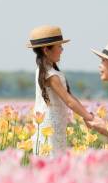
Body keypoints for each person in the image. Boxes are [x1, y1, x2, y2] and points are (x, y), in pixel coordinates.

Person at [27, 25, 94, 156]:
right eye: (59, 46)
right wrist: (88, 117)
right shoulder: (49, 75)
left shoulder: (47, 71)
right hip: (51, 127)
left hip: (54, 126)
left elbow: (70, 96)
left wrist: (86, 114)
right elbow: (68, 100)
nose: (62, 50)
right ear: (46, 50)